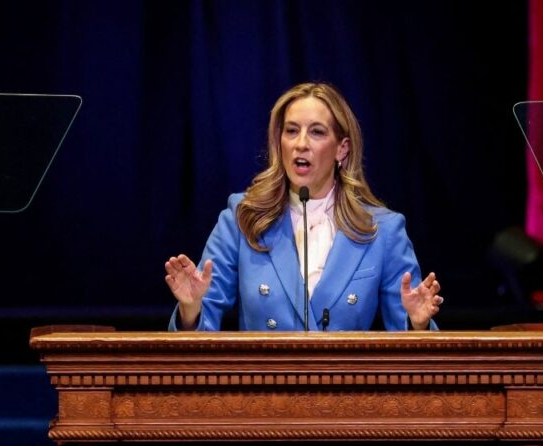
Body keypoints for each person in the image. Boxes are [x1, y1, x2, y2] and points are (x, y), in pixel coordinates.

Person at [165, 82, 442, 331]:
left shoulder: (382, 230)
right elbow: (197, 340)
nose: (300, 144)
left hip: (344, 386)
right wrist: (191, 308)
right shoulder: (243, 217)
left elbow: (410, 350)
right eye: (292, 131)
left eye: (317, 132)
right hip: (264, 386)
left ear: (341, 149)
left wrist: (418, 323)